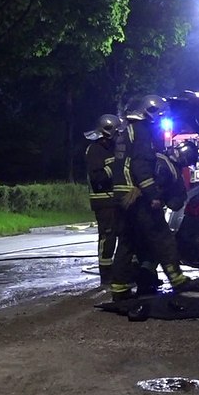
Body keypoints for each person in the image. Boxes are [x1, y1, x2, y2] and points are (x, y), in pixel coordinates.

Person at [109, 95, 195, 301]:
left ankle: (119, 288)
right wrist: (153, 195)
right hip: (136, 194)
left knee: (127, 241)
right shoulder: (141, 132)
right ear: (149, 112)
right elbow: (141, 166)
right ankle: (176, 278)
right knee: (162, 235)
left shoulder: (126, 129)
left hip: (122, 194)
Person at [84, 114, 122, 288]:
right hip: (103, 201)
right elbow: (97, 178)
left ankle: (123, 273)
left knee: (124, 236)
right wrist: (114, 167)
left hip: (116, 200)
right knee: (107, 238)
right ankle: (105, 276)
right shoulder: (94, 150)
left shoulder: (114, 148)